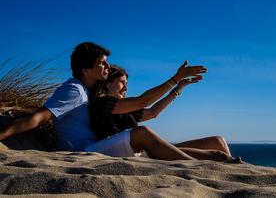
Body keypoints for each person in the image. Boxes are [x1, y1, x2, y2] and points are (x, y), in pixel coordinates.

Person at [0, 42, 231, 162]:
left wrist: (178, 87)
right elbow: (39, 117)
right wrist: (174, 79)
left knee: (217, 150)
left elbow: (150, 111)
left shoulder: (87, 93)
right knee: (142, 133)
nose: (107, 67)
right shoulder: (75, 90)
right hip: (83, 153)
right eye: (102, 63)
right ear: (86, 68)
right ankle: (193, 166)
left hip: (99, 149)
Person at [88, 65, 238, 162]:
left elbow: (153, 112)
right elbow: (144, 101)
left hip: (144, 152)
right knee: (218, 157)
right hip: (133, 153)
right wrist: (176, 78)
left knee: (217, 141)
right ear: (107, 83)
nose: (125, 88)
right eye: (122, 82)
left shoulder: (123, 110)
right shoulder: (103, 103)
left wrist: (179, 88)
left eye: (127, 84)